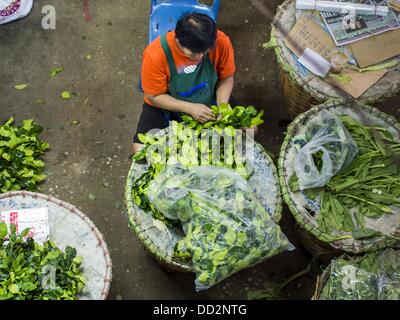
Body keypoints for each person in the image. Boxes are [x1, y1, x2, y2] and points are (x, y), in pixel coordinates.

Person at [132, 12, 239, 154]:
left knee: (249, 131)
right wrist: (190, 108)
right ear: (178, 40)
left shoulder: (221, 42)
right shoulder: (156, 55)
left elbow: (226, 78)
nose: (200, 57)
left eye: (205, 52)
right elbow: (153, 96)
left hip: (210, 95)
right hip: (166, 103)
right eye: (193, 54)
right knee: (140, 150)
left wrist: (222, 106)